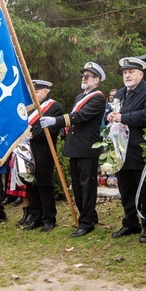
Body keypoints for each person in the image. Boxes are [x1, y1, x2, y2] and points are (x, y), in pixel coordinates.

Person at [40, 61, 106, 237]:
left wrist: (56, 120)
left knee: (86, 186)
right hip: (75, 147)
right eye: (83, 76)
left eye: (88, 76)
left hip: (87, 147)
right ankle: (89, 215)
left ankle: (86, 223)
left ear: (97, 79)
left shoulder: (98, 97)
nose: (83, 79)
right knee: (77, 186)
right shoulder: (79, 97)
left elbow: (81, 116)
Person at [108, 58, 146, 243]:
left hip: (141, 148)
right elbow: (116, 114)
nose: (127, 75)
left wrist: (123, 117)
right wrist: (111, 116)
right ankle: (130, 223)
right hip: (121, 149)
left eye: (131, 72)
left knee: (145, 190)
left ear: (141, 74)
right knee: (126, 188)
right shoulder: (120, 93)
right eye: (125, 72)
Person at [24, 80, 64, 232]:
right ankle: (35, 217)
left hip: (44, 151)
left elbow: (53, 128)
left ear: (46, 91)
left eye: (38, 92)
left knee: (45, 186)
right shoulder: (30, 108)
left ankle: (49, 219)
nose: (35, 95)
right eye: (33, 92)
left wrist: (33, 134)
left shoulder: (54, 107)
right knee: (31, 184)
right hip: (28, 151)